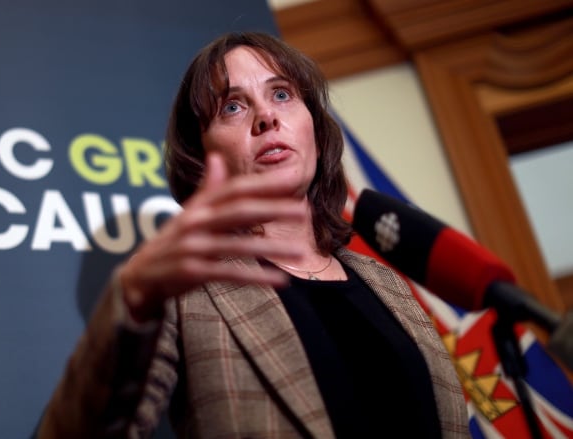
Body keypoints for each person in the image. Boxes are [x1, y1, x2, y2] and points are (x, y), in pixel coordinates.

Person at [36, 31, 469, 438]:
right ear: (202, 156)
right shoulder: (185, 291)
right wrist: (130, 302)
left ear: (314, 128)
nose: (266, 116)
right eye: (232, 107)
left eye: (281, 94)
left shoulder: (387, 283)